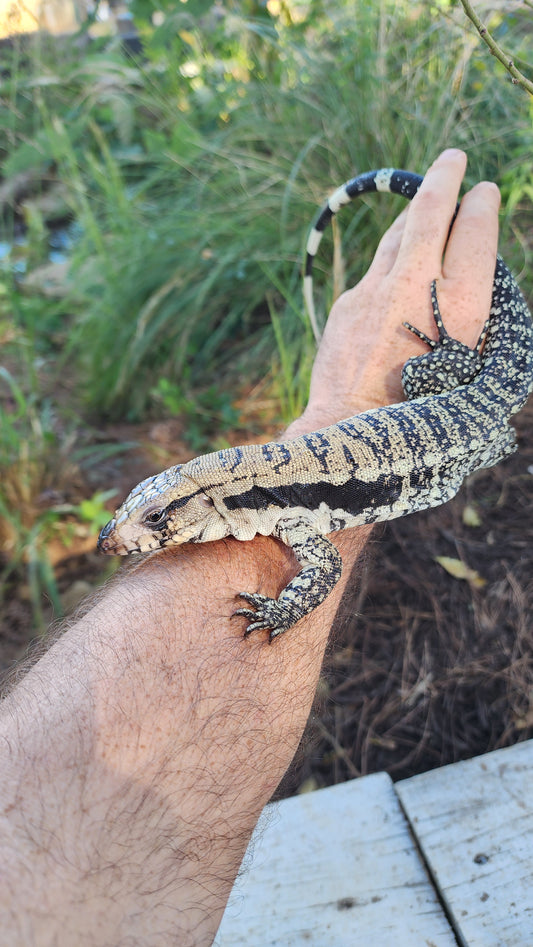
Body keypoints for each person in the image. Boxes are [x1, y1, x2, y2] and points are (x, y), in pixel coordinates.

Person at [0, 149, 500, 946]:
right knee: (413, 380)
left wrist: (279, 609)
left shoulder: (291, 515)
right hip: (438, 409)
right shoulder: (265, 496)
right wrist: (339, 402)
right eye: (146, 517)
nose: (128, 537)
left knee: (422, 384)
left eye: (157, 525)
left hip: (473, 423)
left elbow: (322, 566)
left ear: (209, 507)